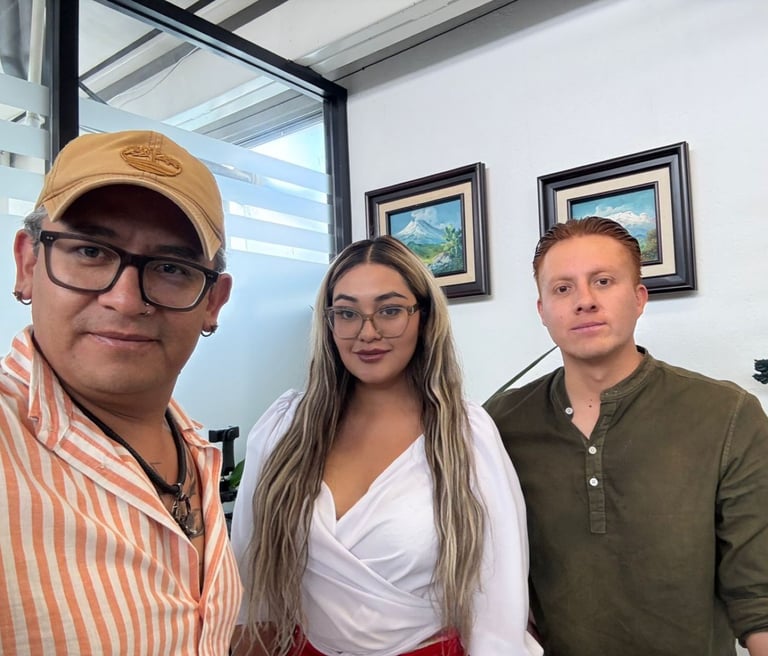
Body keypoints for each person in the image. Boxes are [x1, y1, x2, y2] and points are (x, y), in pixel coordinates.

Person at [230, 236, 540, 656]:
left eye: (390, 310)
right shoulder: (284, 427)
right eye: (347, 313)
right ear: (329, 323)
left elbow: (498, 613)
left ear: (423, 317)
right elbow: (250, 591)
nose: (367, 332)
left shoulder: (466, 436)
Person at [0, 129, 241, 654]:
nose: (126, 300)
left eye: (172, 267)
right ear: (28, 264)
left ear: (212, 302)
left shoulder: (193, 447)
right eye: (90, 251)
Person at [484, 216, 768, 656]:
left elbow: (758, 595)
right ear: (542, 311)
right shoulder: (497, 424)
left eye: (603, 281)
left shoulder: (727, 414)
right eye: (563, 288)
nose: (584, 301)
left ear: (639, 298)